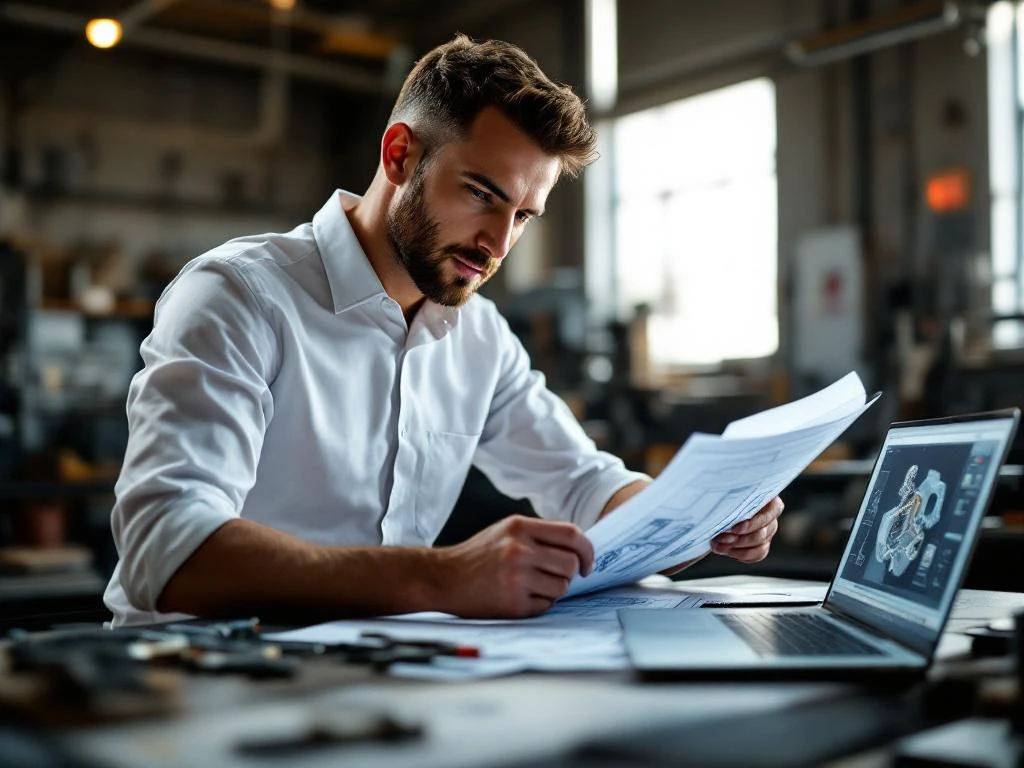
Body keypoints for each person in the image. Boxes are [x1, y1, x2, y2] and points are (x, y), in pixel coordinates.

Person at [104, 34, 784, 627]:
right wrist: (443, 577)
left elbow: (583, 485)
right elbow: (168, 552)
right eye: (482, 194)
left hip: (369, 676)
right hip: (191, 677)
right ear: (400, 154)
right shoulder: (239, 296)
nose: (496, 242)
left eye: (522, 216)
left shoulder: (477, 336)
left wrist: (699, 516)